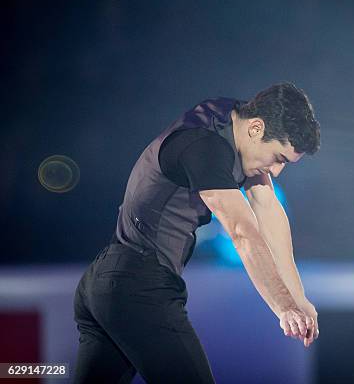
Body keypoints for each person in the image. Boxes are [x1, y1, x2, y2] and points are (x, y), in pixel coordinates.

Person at [73, 82, 321, 383]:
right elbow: (243, 233)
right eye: (279, 158)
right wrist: (284, 308)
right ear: (256, 129)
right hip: (137, 286)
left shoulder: (232, 118)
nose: (276, 172)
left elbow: (267, 207)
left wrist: (297, 297)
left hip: (107, 284)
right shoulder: (204, 146)